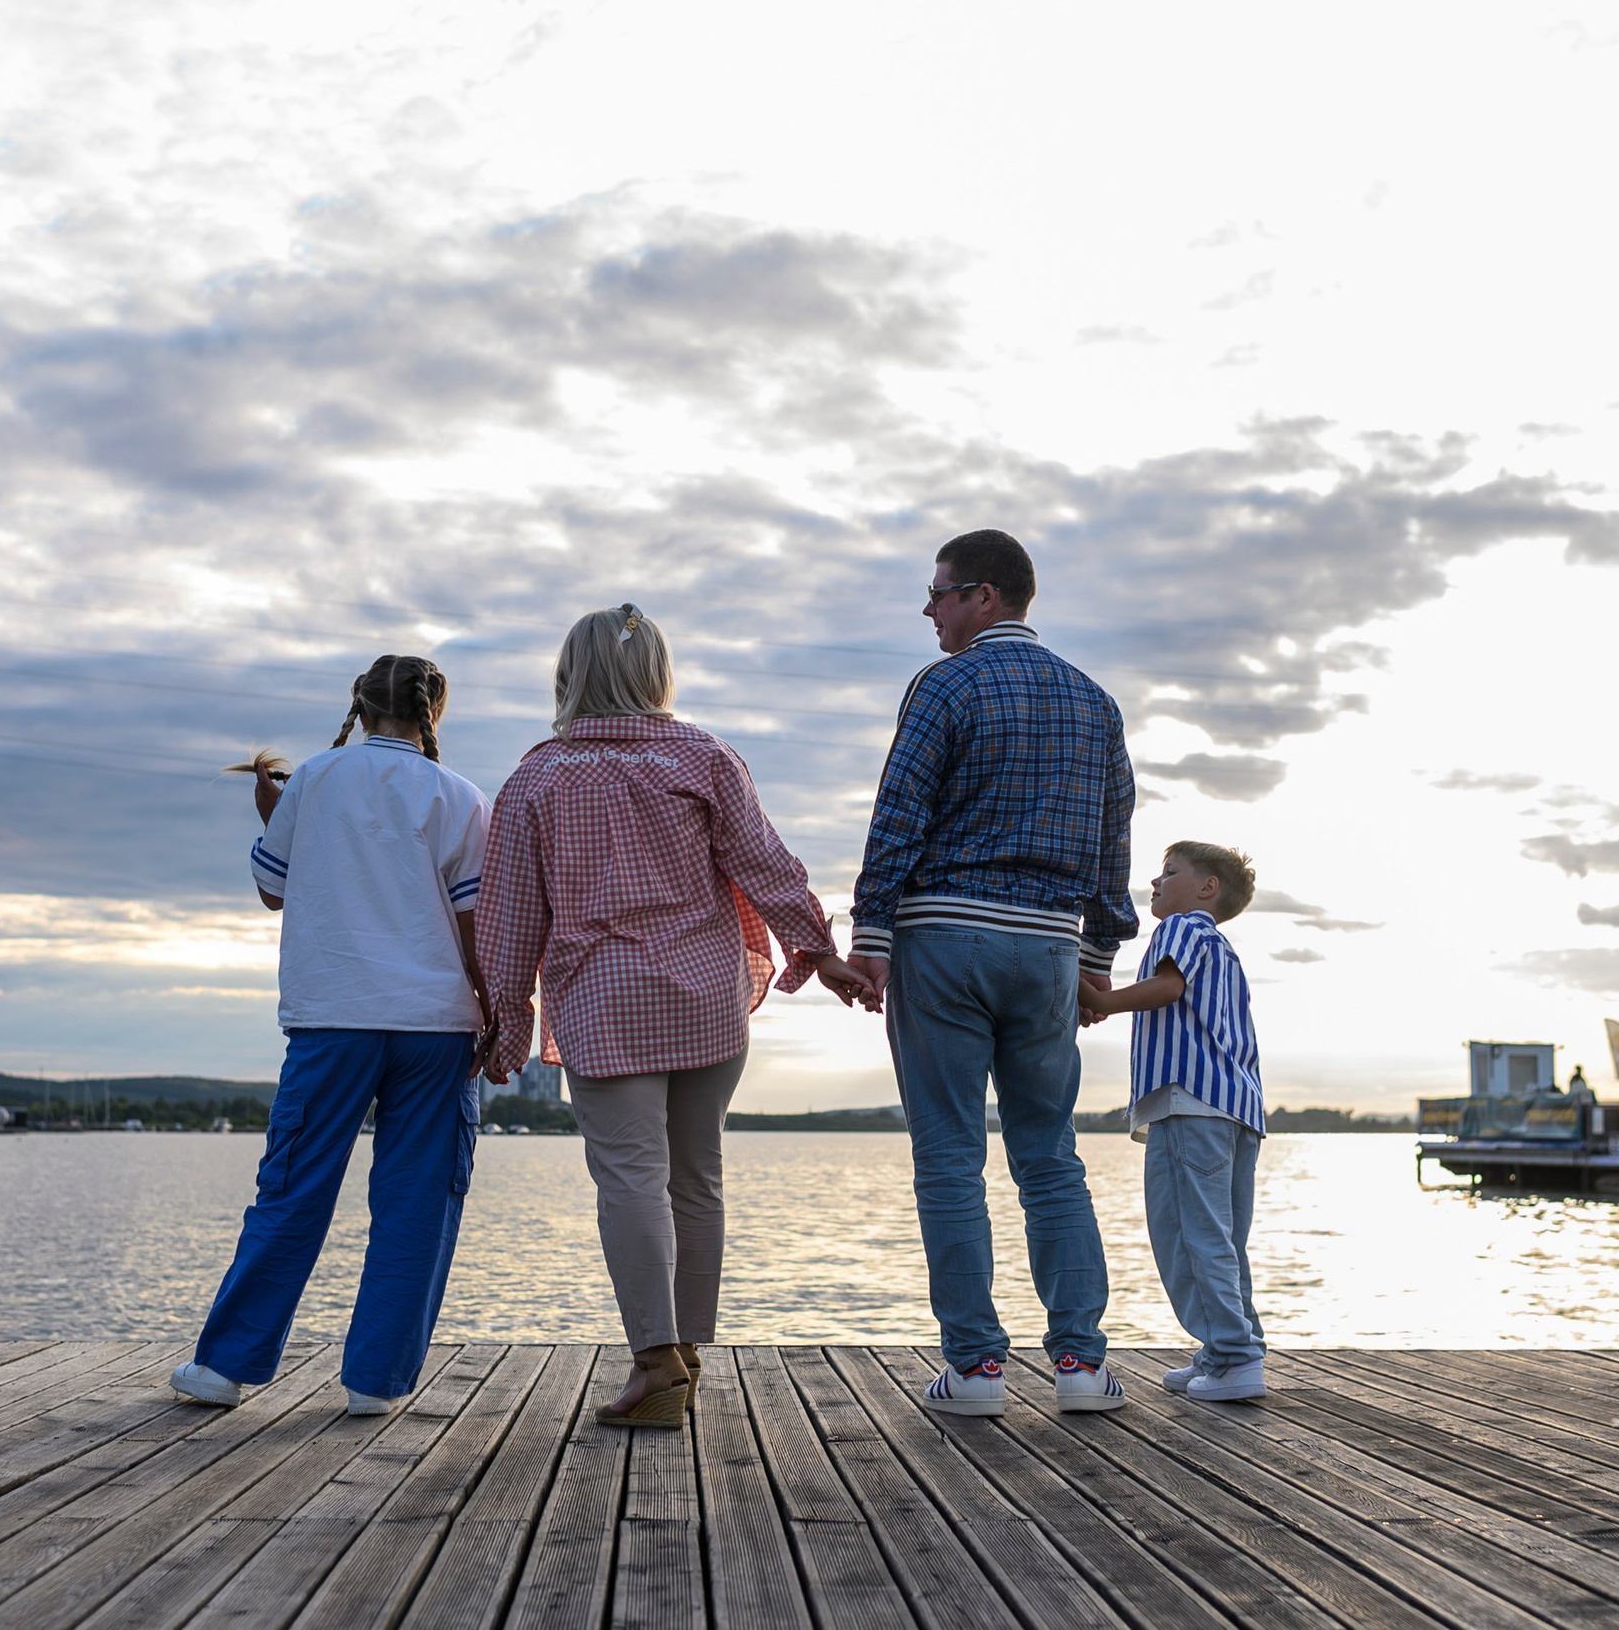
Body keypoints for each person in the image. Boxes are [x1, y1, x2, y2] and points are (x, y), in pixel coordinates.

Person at [477, 604, 876, 1428]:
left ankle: (656, 1363)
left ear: (570, 674)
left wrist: (507, 1018)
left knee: (630, 1177)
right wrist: (818, 949)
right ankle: (685, 1354)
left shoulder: (536, 779)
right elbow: (765, 865)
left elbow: (510, 915)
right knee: (697, 1177)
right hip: (706, 995)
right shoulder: (705, 757)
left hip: (605, 998)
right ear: (656, 672)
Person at [844, 530, 1138, 1417]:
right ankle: (1081, 1364)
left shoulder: (945, 684)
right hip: (1046, 947)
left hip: (944, 937)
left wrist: (871, 932)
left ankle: (975, 1371)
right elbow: (1113, 838)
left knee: (949, 1156)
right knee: (1050, 1156)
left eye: (937, 593)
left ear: (985, 594)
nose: (928, 610)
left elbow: (900, 809)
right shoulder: (1096, 702)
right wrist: (1097, 955)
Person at [170, 654, 493, 1417]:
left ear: (359, 704)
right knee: (419, 1202)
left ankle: (224, 1367)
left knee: (293, 1189)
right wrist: (498, 1005)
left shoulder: (314, 778)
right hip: (436, 1024)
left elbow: (272, 889)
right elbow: (475, 922)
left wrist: (274, 817)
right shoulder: (460, 795)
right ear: (434, 712)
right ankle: (375, 1382)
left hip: (332, 1017)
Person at [1076, 840, 1266, 1401]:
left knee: (1189, 1235)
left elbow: (1167, 988)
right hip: (1236, 1108)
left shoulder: (1182, 927)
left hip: (1190, 1103)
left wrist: (1099, 999)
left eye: (1169, 872)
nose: (1155, 883)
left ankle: (1233, 1358)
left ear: (1207, 888)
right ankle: (1231, 1349)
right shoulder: (1223, 950)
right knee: (1224, 1239)